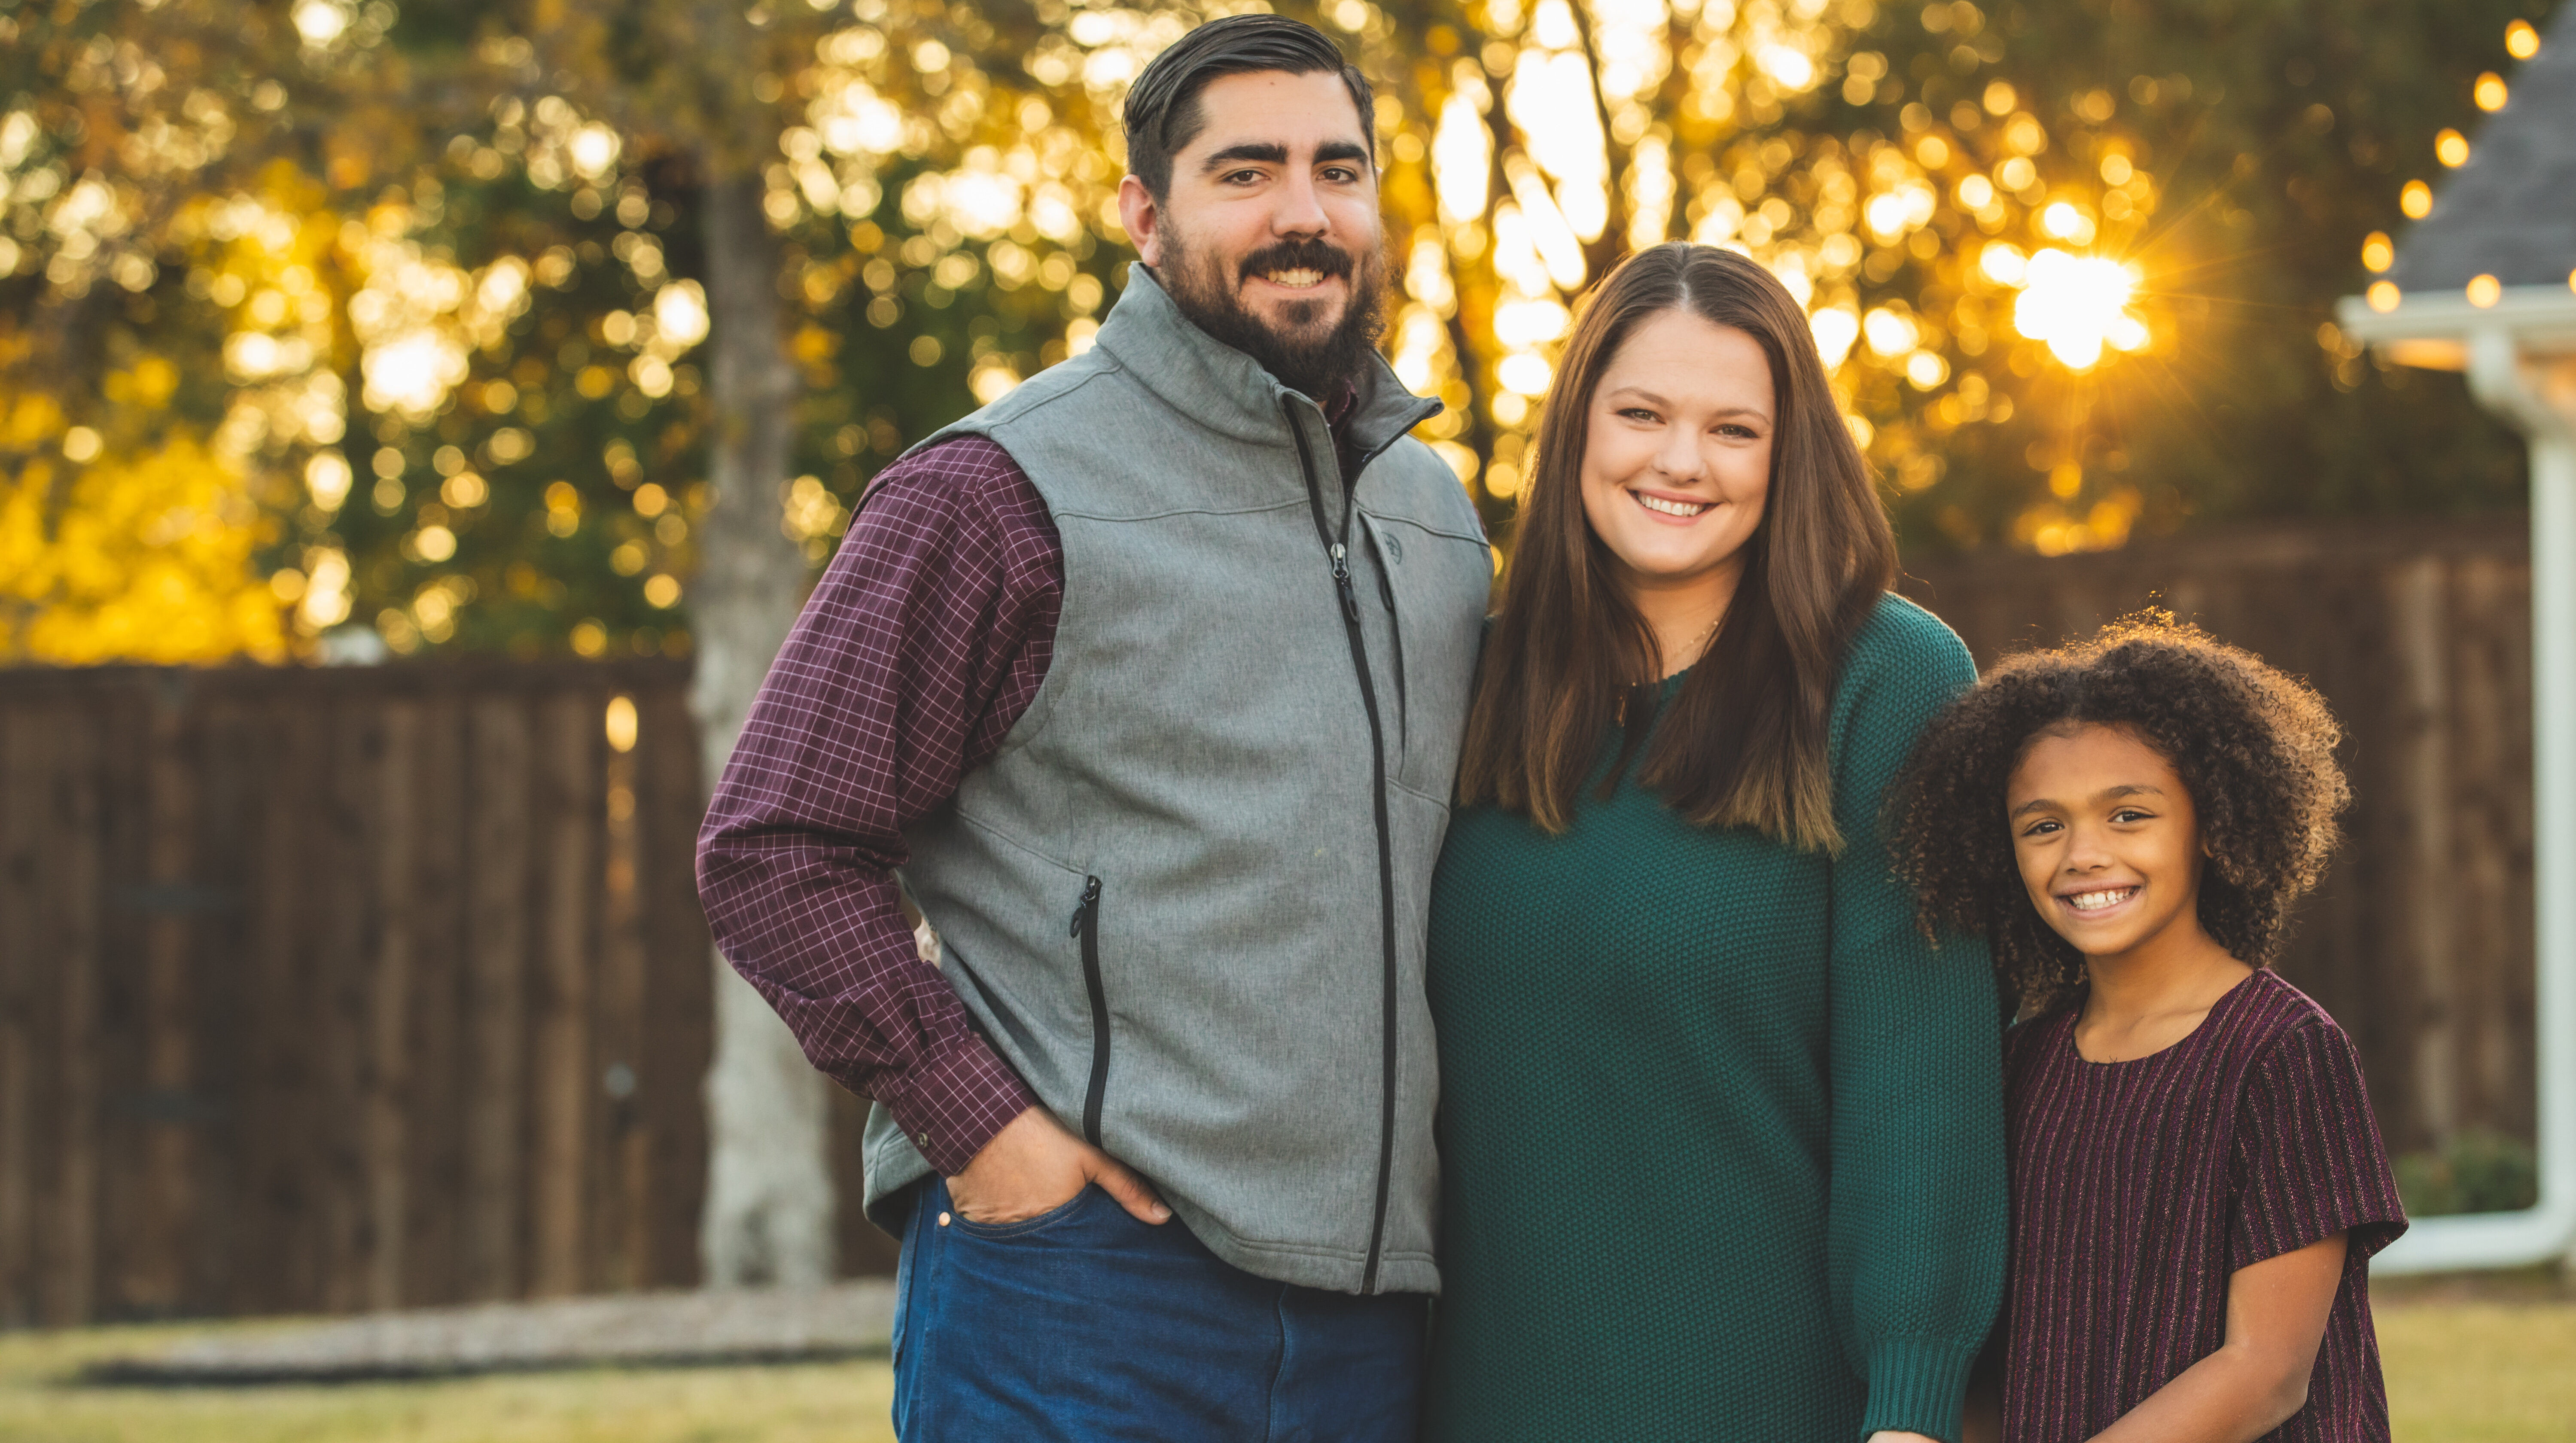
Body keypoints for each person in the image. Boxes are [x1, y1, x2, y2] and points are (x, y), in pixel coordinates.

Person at [694, 15, 1490, 1440]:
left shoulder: (1432, 518)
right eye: (1245, 172)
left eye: (1338, 170)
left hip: (1376, 1324)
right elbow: (774, 842)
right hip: (1083, 1286)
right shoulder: (1000, 490)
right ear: (1143, 214)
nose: (1304, 213)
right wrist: (988, 1136)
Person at [1422, 242, 2009, 1443]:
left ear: (1791, 456)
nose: (1681, 462)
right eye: (1641, 414)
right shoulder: (1466, 680)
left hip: (1780, 1405)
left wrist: (1912, 1407)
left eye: (1734, 430)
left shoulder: (1887, 680)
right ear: (1578, 426)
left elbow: (1922, 1085)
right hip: (1470, 1404)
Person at [1883, 614, 2407, 1443]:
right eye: (2044, 826)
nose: (2083, 854)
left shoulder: (2284, 1052)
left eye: (2128, 815)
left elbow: (2267, 1372)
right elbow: (1993, 1351)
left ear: (2214, 825)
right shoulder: (2019, 1063)